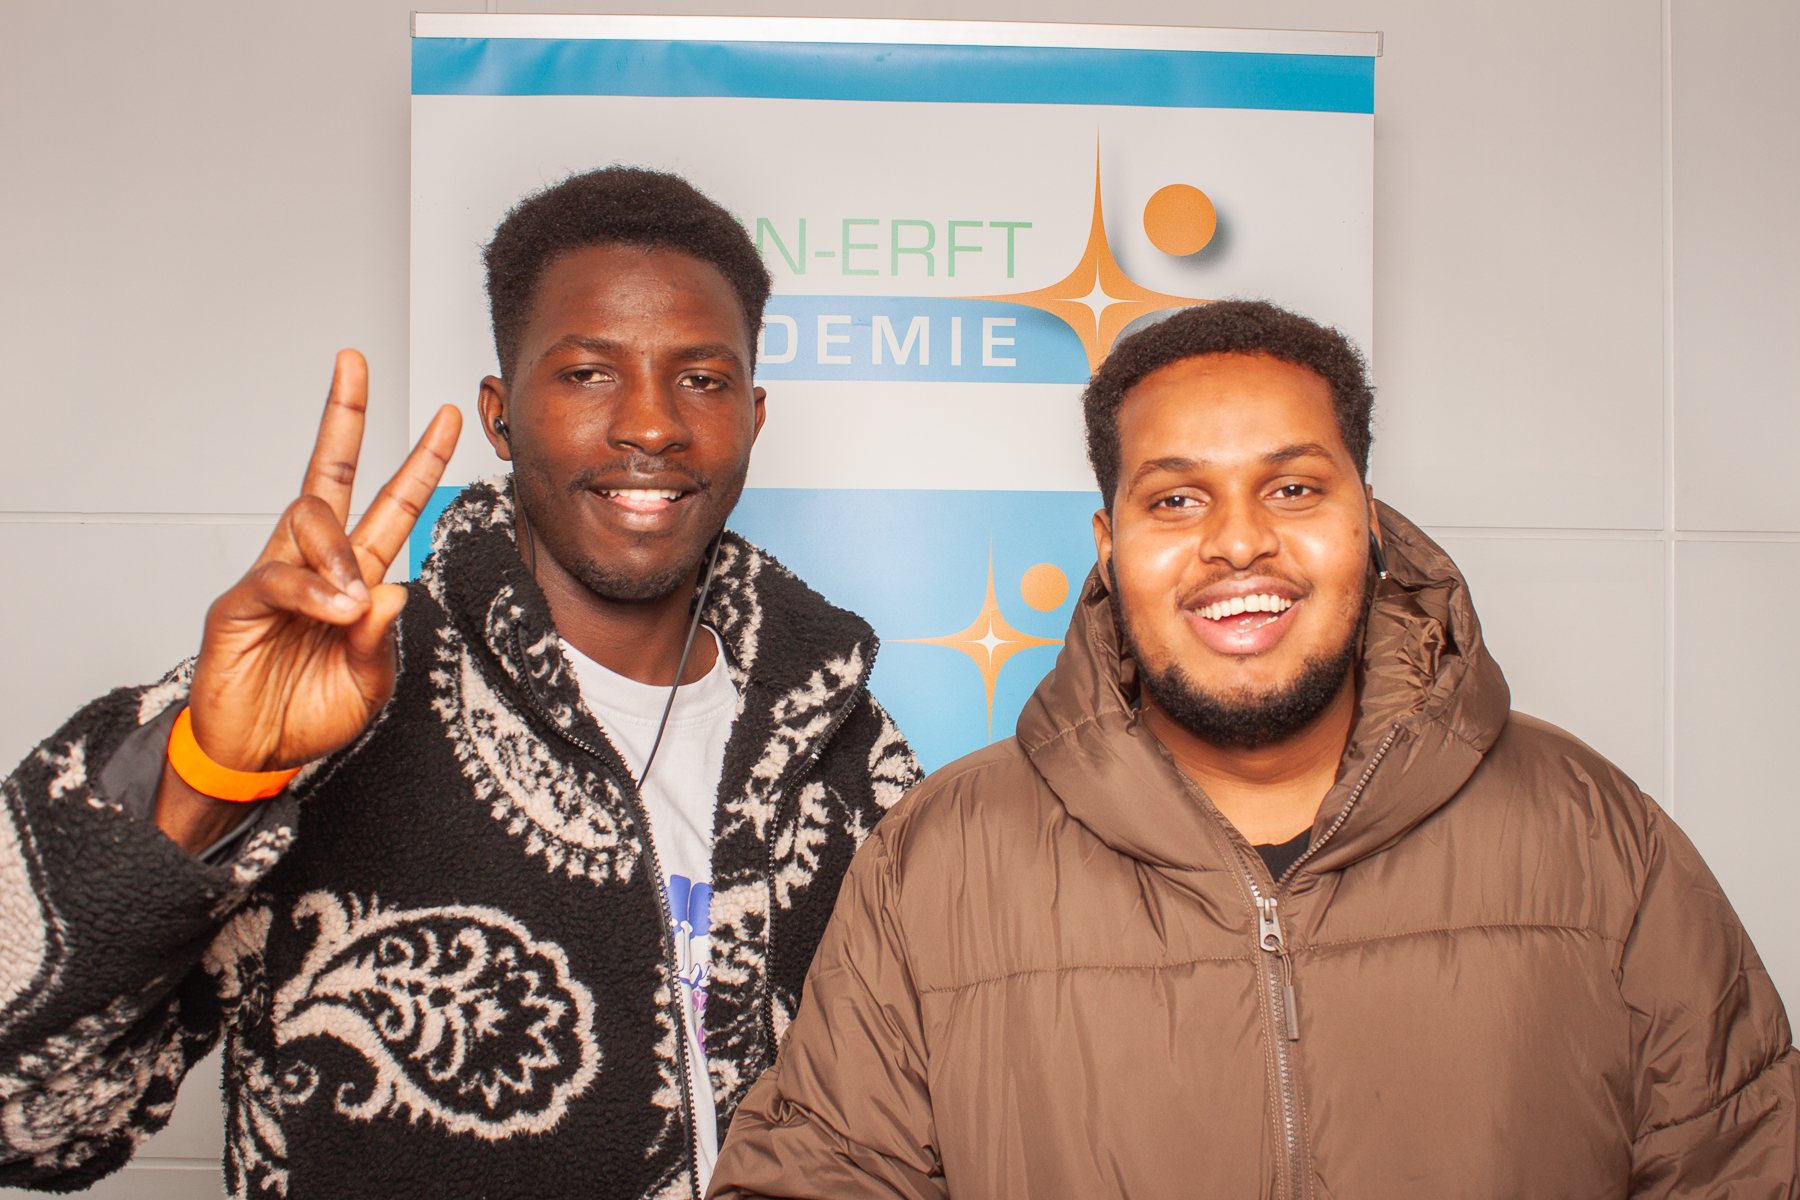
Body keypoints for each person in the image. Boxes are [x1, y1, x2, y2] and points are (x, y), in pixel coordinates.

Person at [709, 300, 1799, 1199]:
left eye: (1293, 488)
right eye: (1177, 498)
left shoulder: (1593, 830)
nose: (1238, 541)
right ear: (1110, 545)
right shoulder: (940, 857)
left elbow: (1746, 1164)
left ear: (1367, 519)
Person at [0, 167, 919, 1200]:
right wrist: (207, 778)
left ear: (752, 415)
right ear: (500, 414)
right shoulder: (333, 693)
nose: (652, 424)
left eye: (701, 380)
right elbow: (28, 1117)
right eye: (589, 373)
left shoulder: (849, 745)